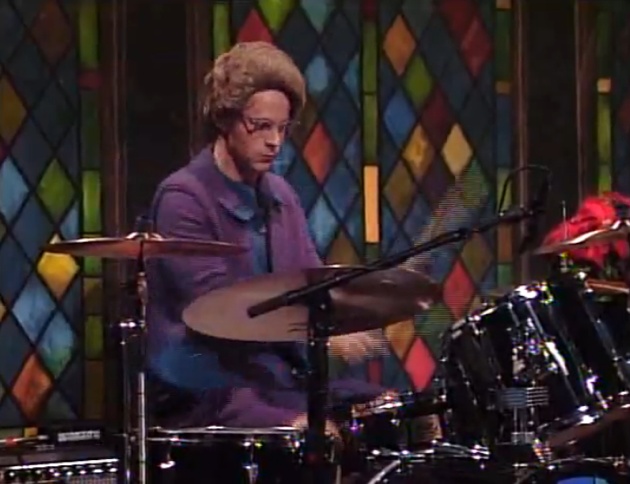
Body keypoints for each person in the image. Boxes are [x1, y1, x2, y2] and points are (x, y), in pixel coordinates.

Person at [145, 41, 389, 444]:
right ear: (225, 119)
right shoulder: (183, 198)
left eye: (282, 128)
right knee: (310, 435)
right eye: (260, 126)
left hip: (280, 377)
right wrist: (315, 330)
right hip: (212, 385)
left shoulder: (281, 195)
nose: (275, 141)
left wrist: (349, 316)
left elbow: (313, 284)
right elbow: (219, 312)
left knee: (389, 409)